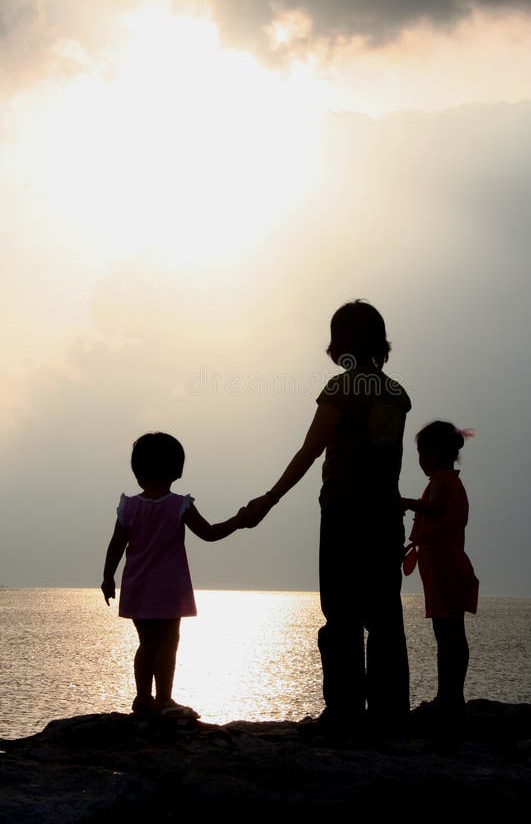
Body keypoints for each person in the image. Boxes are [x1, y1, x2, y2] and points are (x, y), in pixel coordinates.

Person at [245, 300, 412, 735]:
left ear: (341, 343)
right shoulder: (397, 394)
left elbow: (309, 451)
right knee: (384, 616)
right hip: (384, 515)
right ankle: (391, 714)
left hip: (344, 514)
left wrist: (270, 498)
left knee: (341, 614)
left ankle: (344, 713)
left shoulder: (341, 389)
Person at [101, 431, 250, 718]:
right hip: (170, 588)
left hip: (138, 586)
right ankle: (165, 700)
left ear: (137, 470)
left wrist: (108, 577)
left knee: (146, 643)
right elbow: (209, 533)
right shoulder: (179, 505)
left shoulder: (128, 507)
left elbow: (116, 545)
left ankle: (143, 699)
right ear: (175, 470)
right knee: (168, 642)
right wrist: (238, 521)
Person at [401, 421, 479, 721]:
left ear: (431, 453)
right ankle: (452, 696)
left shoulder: (439, 482)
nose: (419, 460)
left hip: (443, 567)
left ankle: (447, 697)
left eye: (421, 453)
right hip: (451, 563)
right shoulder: (454, 482)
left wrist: (402, 502)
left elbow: (433, 509)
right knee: (453, 634)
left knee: (446, 635)